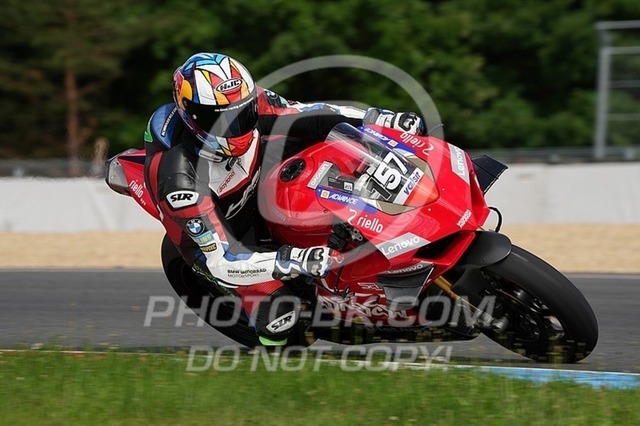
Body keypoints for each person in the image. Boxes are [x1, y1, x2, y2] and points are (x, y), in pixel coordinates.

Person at [143, 52, 426, 348]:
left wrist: (378, 118)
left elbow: (309, 112)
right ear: (191, 116)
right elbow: (222, 260)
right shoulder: (178, 179)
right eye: (221, 120)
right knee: (282, 328)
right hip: (227, 233)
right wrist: (293, 259)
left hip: (258, 174)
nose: (236, 126)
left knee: (332, 139)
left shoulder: (246, 98)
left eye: (243, 114)